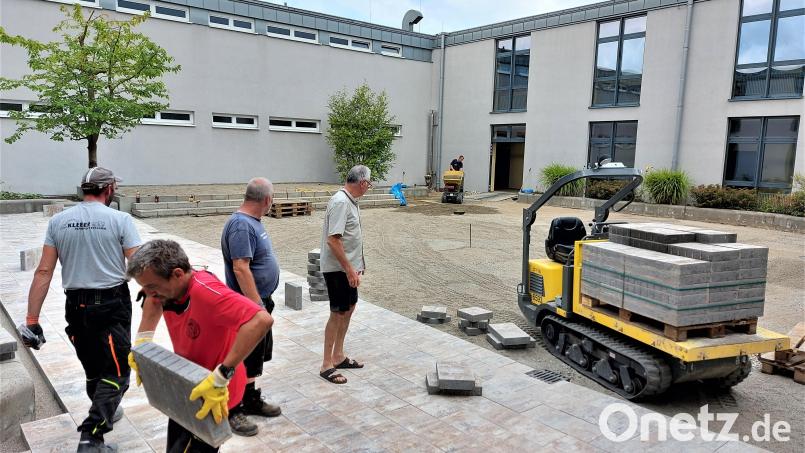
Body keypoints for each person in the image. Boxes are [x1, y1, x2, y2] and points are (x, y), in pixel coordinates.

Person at [19, 167, 142, 453]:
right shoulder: (121, 219)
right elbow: (139, 264)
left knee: (93, 369)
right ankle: (91, 438)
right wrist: (156, 291)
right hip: (111, 305)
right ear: (109, 188)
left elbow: (44, 271)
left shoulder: (59, 221)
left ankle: (103, 407)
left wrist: (32, 320)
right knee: (119, 371)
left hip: (76, 306)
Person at [126, 240, 272, 453]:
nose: (149, 293)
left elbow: (261, 321)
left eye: (152, 286)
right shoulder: (168, 288)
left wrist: (222, 375)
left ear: (177, 274)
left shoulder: (205, 291)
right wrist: (143, 342)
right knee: (177, 441)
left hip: (214, 389)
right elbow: (153, 300)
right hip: (189, 380)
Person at [220, 178, 282, 436]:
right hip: (249, 306)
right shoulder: (241, 226)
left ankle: (250, 398)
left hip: (258, 303)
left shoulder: (251, 223)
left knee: (254, 356)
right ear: (266, 200)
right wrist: (256, 305)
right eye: (272, 198)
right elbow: (240, 267)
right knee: (242, 357)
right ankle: (233, 410)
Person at [318, 165, 370, 384]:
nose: (369, 187)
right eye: (369, 183)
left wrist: (358, 264)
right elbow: (333, 240)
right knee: (337, 312)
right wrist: (349, 269)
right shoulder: (341, 202)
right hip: (338, 270)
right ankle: (326, 365)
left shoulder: (350, 201)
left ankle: (338, 356)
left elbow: (350, 238)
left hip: (348, 268)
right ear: (362, 183)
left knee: (349, 308)